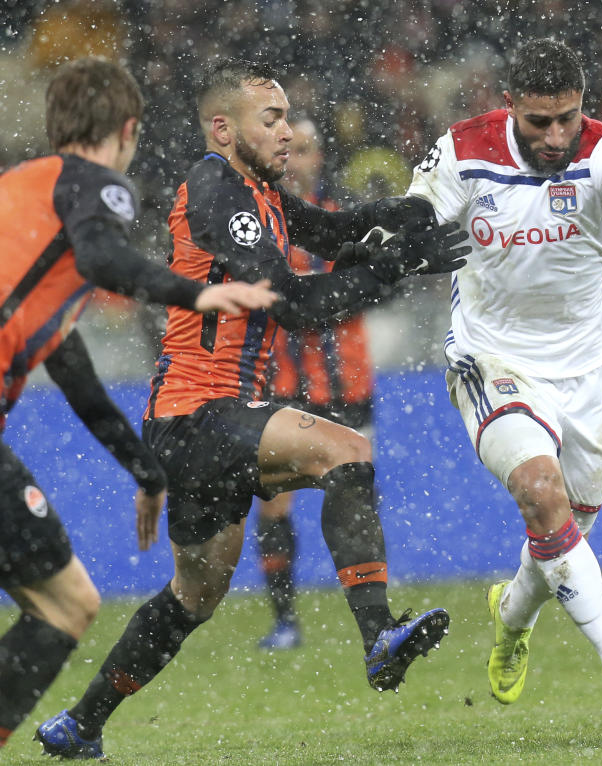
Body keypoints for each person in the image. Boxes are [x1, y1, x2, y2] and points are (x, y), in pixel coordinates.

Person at [36, 58, 470, 759]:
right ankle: (378, 636)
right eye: (270, 119)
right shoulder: (214, 187)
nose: (288, 133)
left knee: (191, 598)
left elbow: (335, 233)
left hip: (200, 424)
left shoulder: (262, 197)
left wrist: (414, 222)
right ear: (223, 127)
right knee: (347, 452)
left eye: (289, 118)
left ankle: (81, 724)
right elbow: (294, 304)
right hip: (197, 413)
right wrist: (391, 265)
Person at [404, 38, 602, 718]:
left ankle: (510, 617)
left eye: (568, 116)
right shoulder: (463, 149)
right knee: (540, 491)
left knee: (563, 527)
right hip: (491, 359)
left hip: (586, 365)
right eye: (540, 122)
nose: (557, 134)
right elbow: (413, 212)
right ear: (510, 108)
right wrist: (413, 243)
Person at [0, 57, 278, 750]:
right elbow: (100, 255)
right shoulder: (94, 185)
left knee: (64, 602)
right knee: (67, 606)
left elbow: (70, 367)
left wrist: (143, 468)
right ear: (127, 131)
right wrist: (196, 293)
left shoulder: (20, 193)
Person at [254, 116, 378, 651]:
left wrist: (327, 294)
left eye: (306, 150)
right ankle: (285, 620)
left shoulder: (338, 223)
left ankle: (375, 620)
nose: (298, 160)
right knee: (274, 501)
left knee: (357, 499)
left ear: (319, 159)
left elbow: (376, 289)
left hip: (346, 385)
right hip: (282, 383)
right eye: (291, 150)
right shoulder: (260, 226)